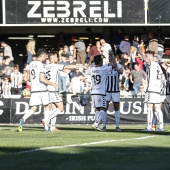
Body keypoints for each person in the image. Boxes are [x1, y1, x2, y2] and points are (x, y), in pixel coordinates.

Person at [17, 48, 57, 132]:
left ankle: (23, 119)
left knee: (34, 108)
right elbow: (42, 79)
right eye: (46, 55)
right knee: (47, 106)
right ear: (42, 55)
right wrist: (52, 84)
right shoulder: (41, 65)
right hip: (42, 89)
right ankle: (46, 127)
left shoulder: (31, 64)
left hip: (34, 89)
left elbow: (28, 77)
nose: (46, 57)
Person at [43, 53, 82, 131]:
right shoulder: (55, 66)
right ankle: (46, 120)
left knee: (54, 108)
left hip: (47, 89)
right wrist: (78, 66)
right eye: (56, 57)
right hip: (53, 90)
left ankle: (52, 127)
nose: (57, 58)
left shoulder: (46, 67)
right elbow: (68, 66)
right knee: (61, 108)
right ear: (52, 58)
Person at [85, 54, 117, 131]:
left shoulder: (92, 69)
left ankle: (96, 124)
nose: (102, 62)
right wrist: (112, 58)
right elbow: (115, 65)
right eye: (102, 61)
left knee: (97, 109)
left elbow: (85, 70)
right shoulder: (103, 69)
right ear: (100, 62)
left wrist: (90, 61)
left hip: (93, 92)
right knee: (103, 108)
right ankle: (96, 124)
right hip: (100, 92)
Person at [139, 50, 164, 131]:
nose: (146, 57)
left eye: (147, 55)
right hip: (157, 90)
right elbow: (162, 77)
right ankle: (161, 127)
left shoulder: (152, 63)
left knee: (149, 108)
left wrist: (140, 52)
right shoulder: (158, 65)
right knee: (157, 108)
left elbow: (146, 60)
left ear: (150, 56)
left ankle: (149, 127)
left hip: (151, 89)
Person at [105, 53, 123, 131]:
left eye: (112, 58)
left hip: (115, 90)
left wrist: (115, 67)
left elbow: (121, 72)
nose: (111, 59)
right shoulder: (105, 67)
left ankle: (117, 126)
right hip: (107, 90)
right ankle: (104, 126)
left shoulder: (118, 66)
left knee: (116, 108)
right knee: (104, 108)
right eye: (110, 58)